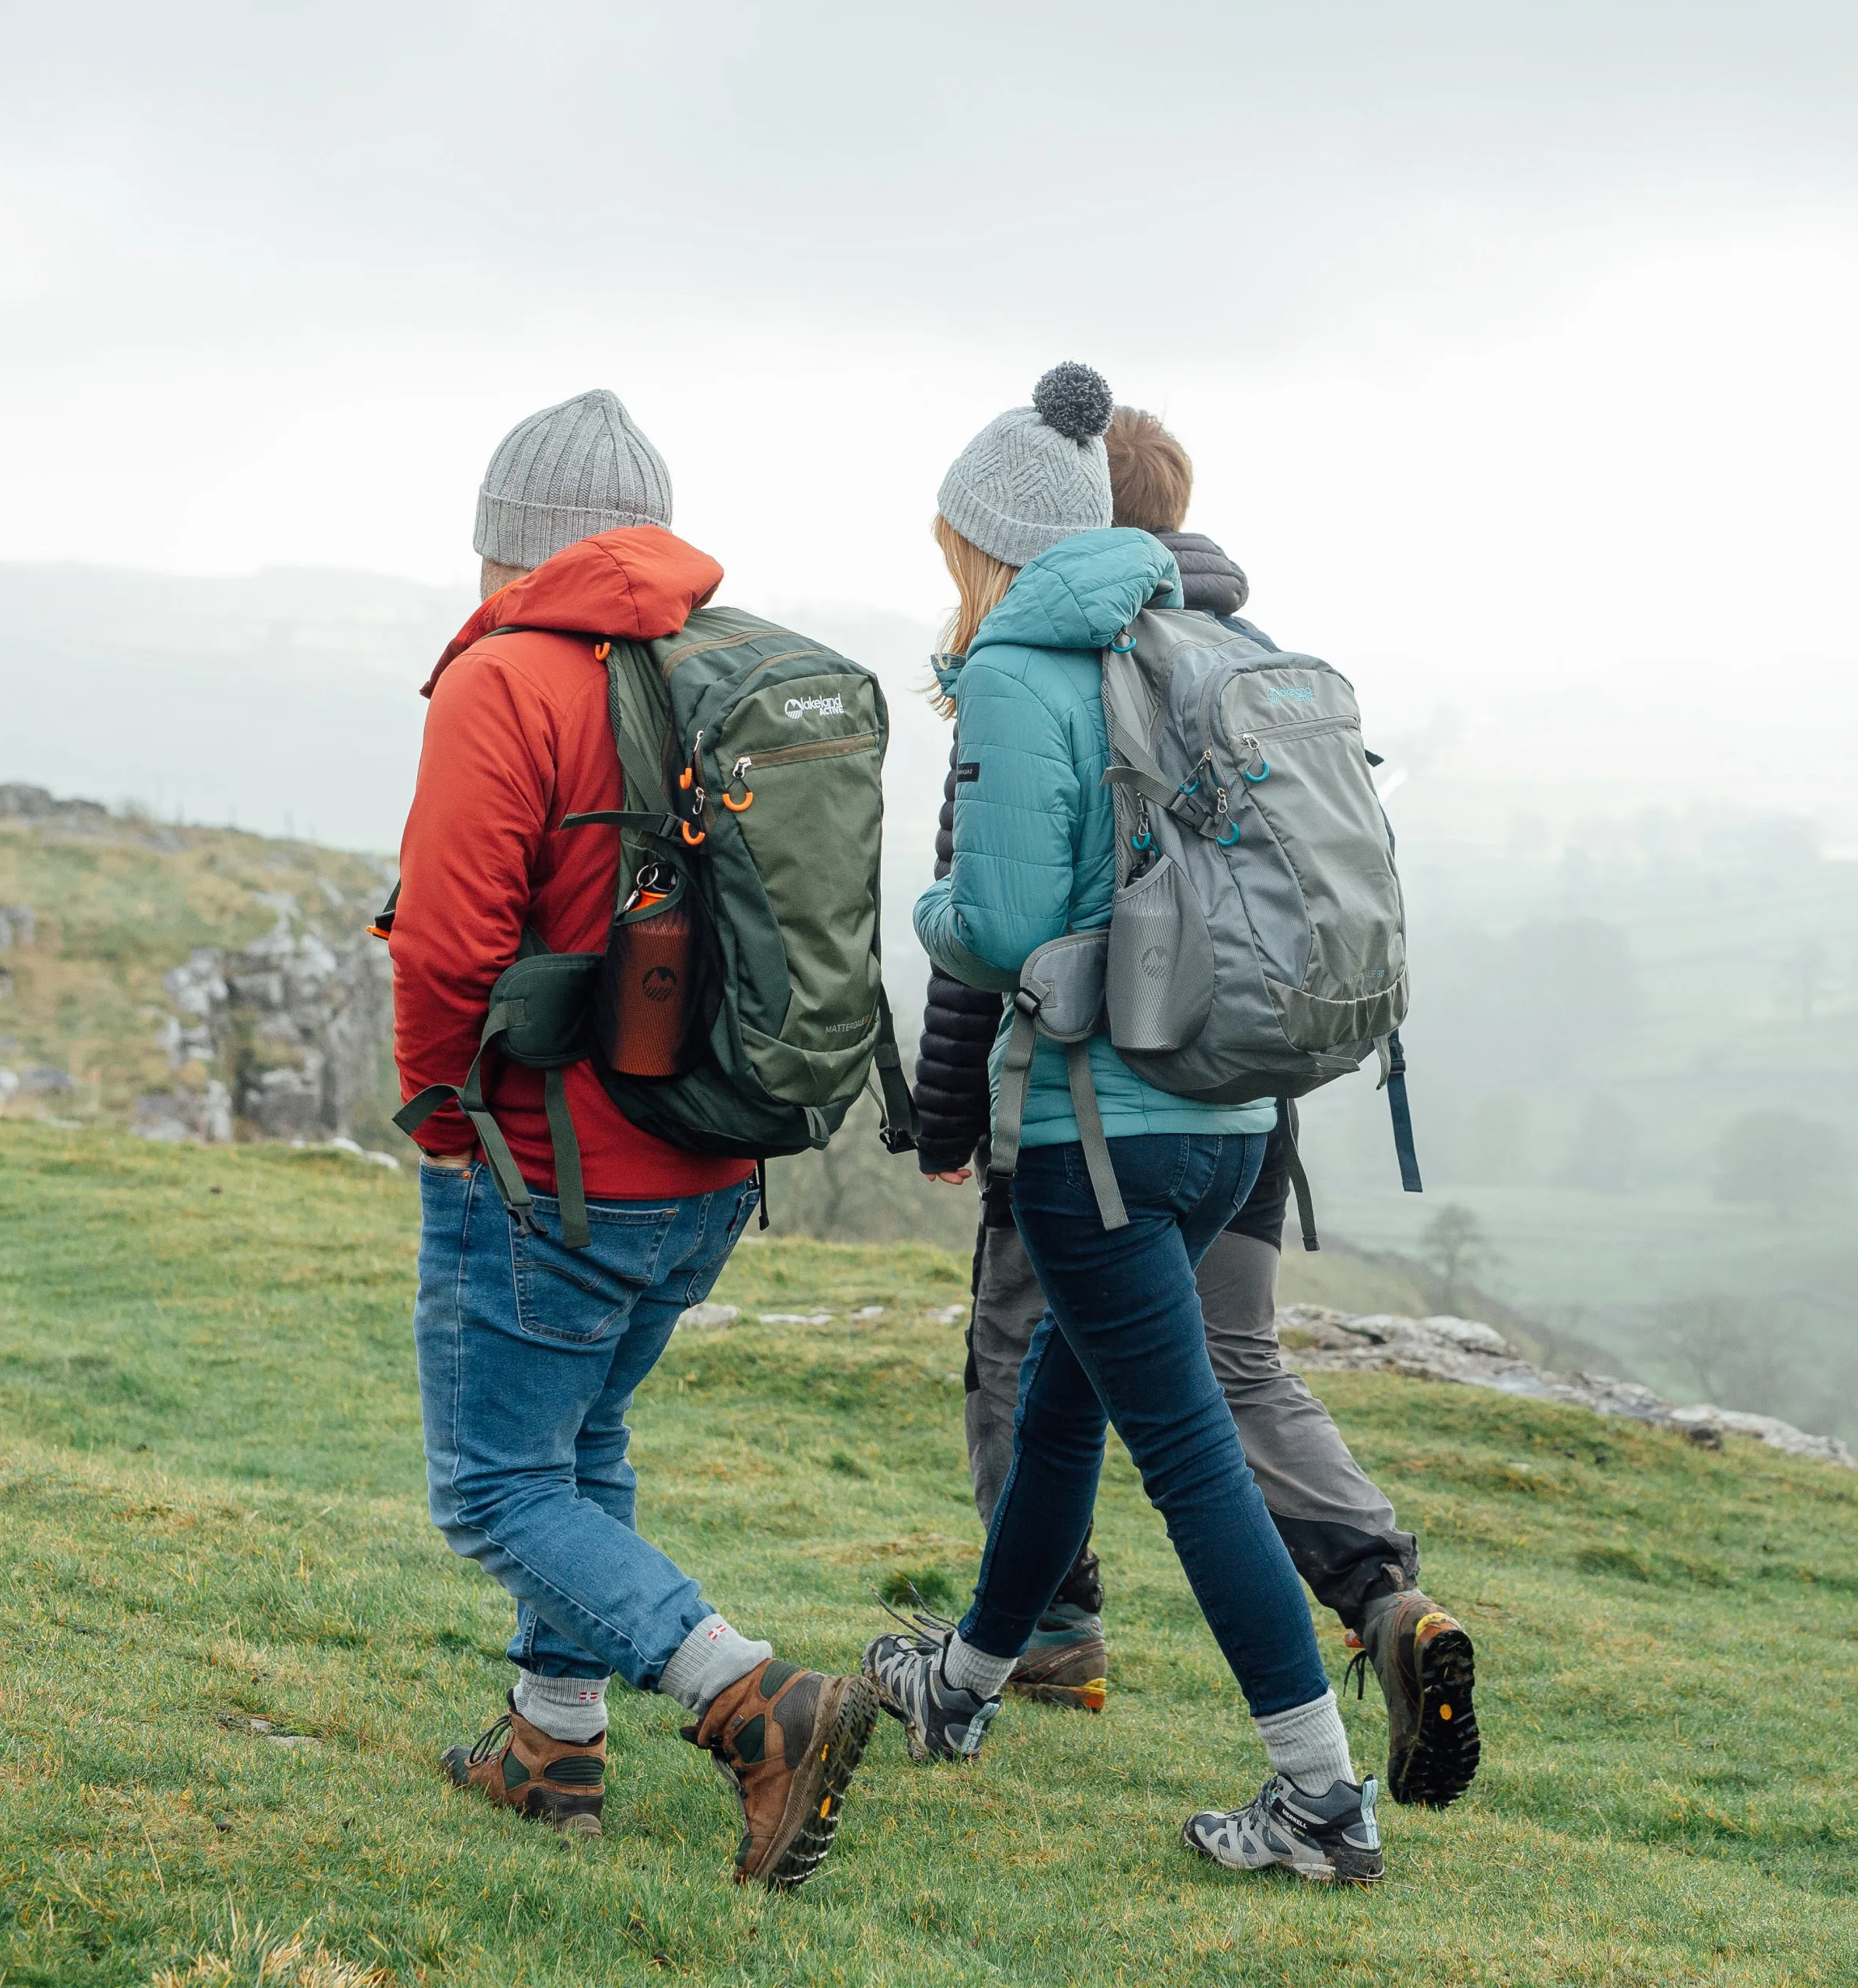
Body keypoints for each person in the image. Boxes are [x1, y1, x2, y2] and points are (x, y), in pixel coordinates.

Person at [910, 405, 1480, 1812]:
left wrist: (933, 916)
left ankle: (1319, 1798)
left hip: (1097, 1137)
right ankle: (967, 1685)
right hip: (1240, 1128)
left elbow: (999, 925)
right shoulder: (1212, 645)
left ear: (987, 541)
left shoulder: (1024, 668)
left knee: (1181, 1456)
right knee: (1068, 1417)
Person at [391, 388, 875, 1888]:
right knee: (581, 1441)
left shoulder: (511, 680)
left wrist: (435, 1109)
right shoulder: (713, 670)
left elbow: (449, 945)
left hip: (553, 1162)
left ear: (505, 548)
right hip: (714, 1164)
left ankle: (748, 1696)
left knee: (495, 1483)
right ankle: (551, 1742)